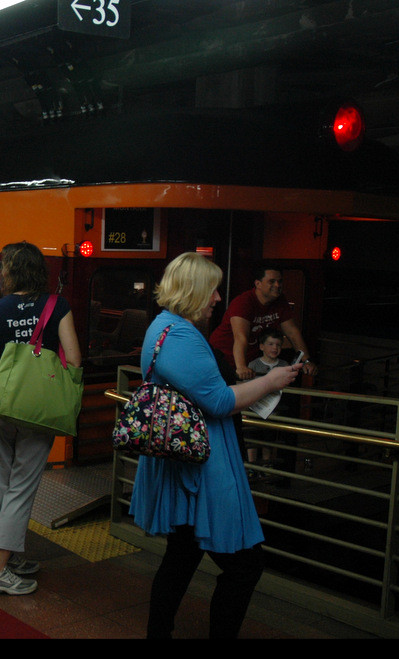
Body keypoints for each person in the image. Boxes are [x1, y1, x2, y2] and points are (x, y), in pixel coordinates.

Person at [128, 252, 301, 639]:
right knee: (245, 566)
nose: (218, 298)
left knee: (181, 557)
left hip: (185, 465)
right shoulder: (182, 336)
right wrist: (271, 382)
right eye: (212, 290)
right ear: (194, 291)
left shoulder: (163, 326)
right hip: (202, 470)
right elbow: (220, 401)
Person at [0, 241, 82, 596]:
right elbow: (75, 360)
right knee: (21, 485)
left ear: (9, 271)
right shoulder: (58, 305)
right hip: (38, 405)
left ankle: (0, 551)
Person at [209, 263, 317, 381]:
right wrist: (241, 367)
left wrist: (306, 361)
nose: (277, 285)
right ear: (258, 284)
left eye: (279, 281)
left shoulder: (280, 301)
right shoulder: (243, 302)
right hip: (222, 357)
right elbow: (241, 337)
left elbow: (292, 332)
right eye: (271, 281)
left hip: (250, 361)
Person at [244, 330, 290, 477]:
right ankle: (252, 466)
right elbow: (247, 387)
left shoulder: (284, 365)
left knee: (268, 439)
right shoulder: (253, 364)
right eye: (270, 344)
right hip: (255, 409)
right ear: (261, 346)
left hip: (273, 411)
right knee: (252, 437)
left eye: (278, 345)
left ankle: (266, 466)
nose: (274, 348)